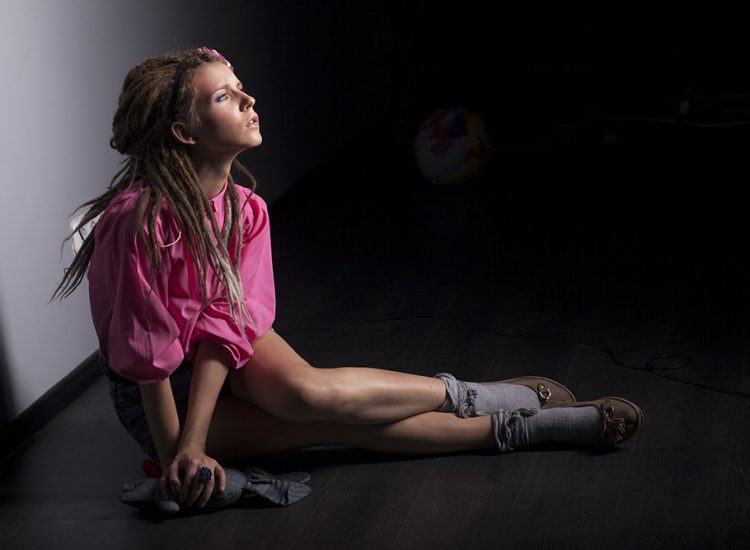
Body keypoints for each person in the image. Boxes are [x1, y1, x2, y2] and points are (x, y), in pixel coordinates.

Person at [53, 47, 643, 511]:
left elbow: (224, 328)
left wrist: (196, 442)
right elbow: (151, 362)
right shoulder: (141, 226)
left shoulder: (244, 210)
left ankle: (471, 395)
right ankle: (516, 431)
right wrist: (182, 450)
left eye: (241, 87)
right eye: (228, 97)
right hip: (159, 397)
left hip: (213, 356)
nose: (250, 99)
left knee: (312, 395)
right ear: (185, 132)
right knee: (332, 426)